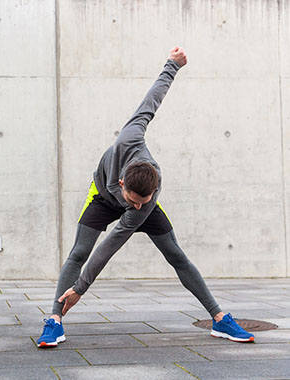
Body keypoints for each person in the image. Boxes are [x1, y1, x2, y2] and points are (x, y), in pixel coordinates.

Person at [37, 47, 254, 348]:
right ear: (123, 182)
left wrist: (81, 288)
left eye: (143, 201)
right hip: (101, 197)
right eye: (134, 200)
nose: (136, 207)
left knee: (176, 255)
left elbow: (113, 243)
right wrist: (172, 65)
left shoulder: (146, 200)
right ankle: (54, 322)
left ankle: (220, 319)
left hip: (133, 198)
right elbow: (151, 100)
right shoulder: (130, 136)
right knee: (78, 253)